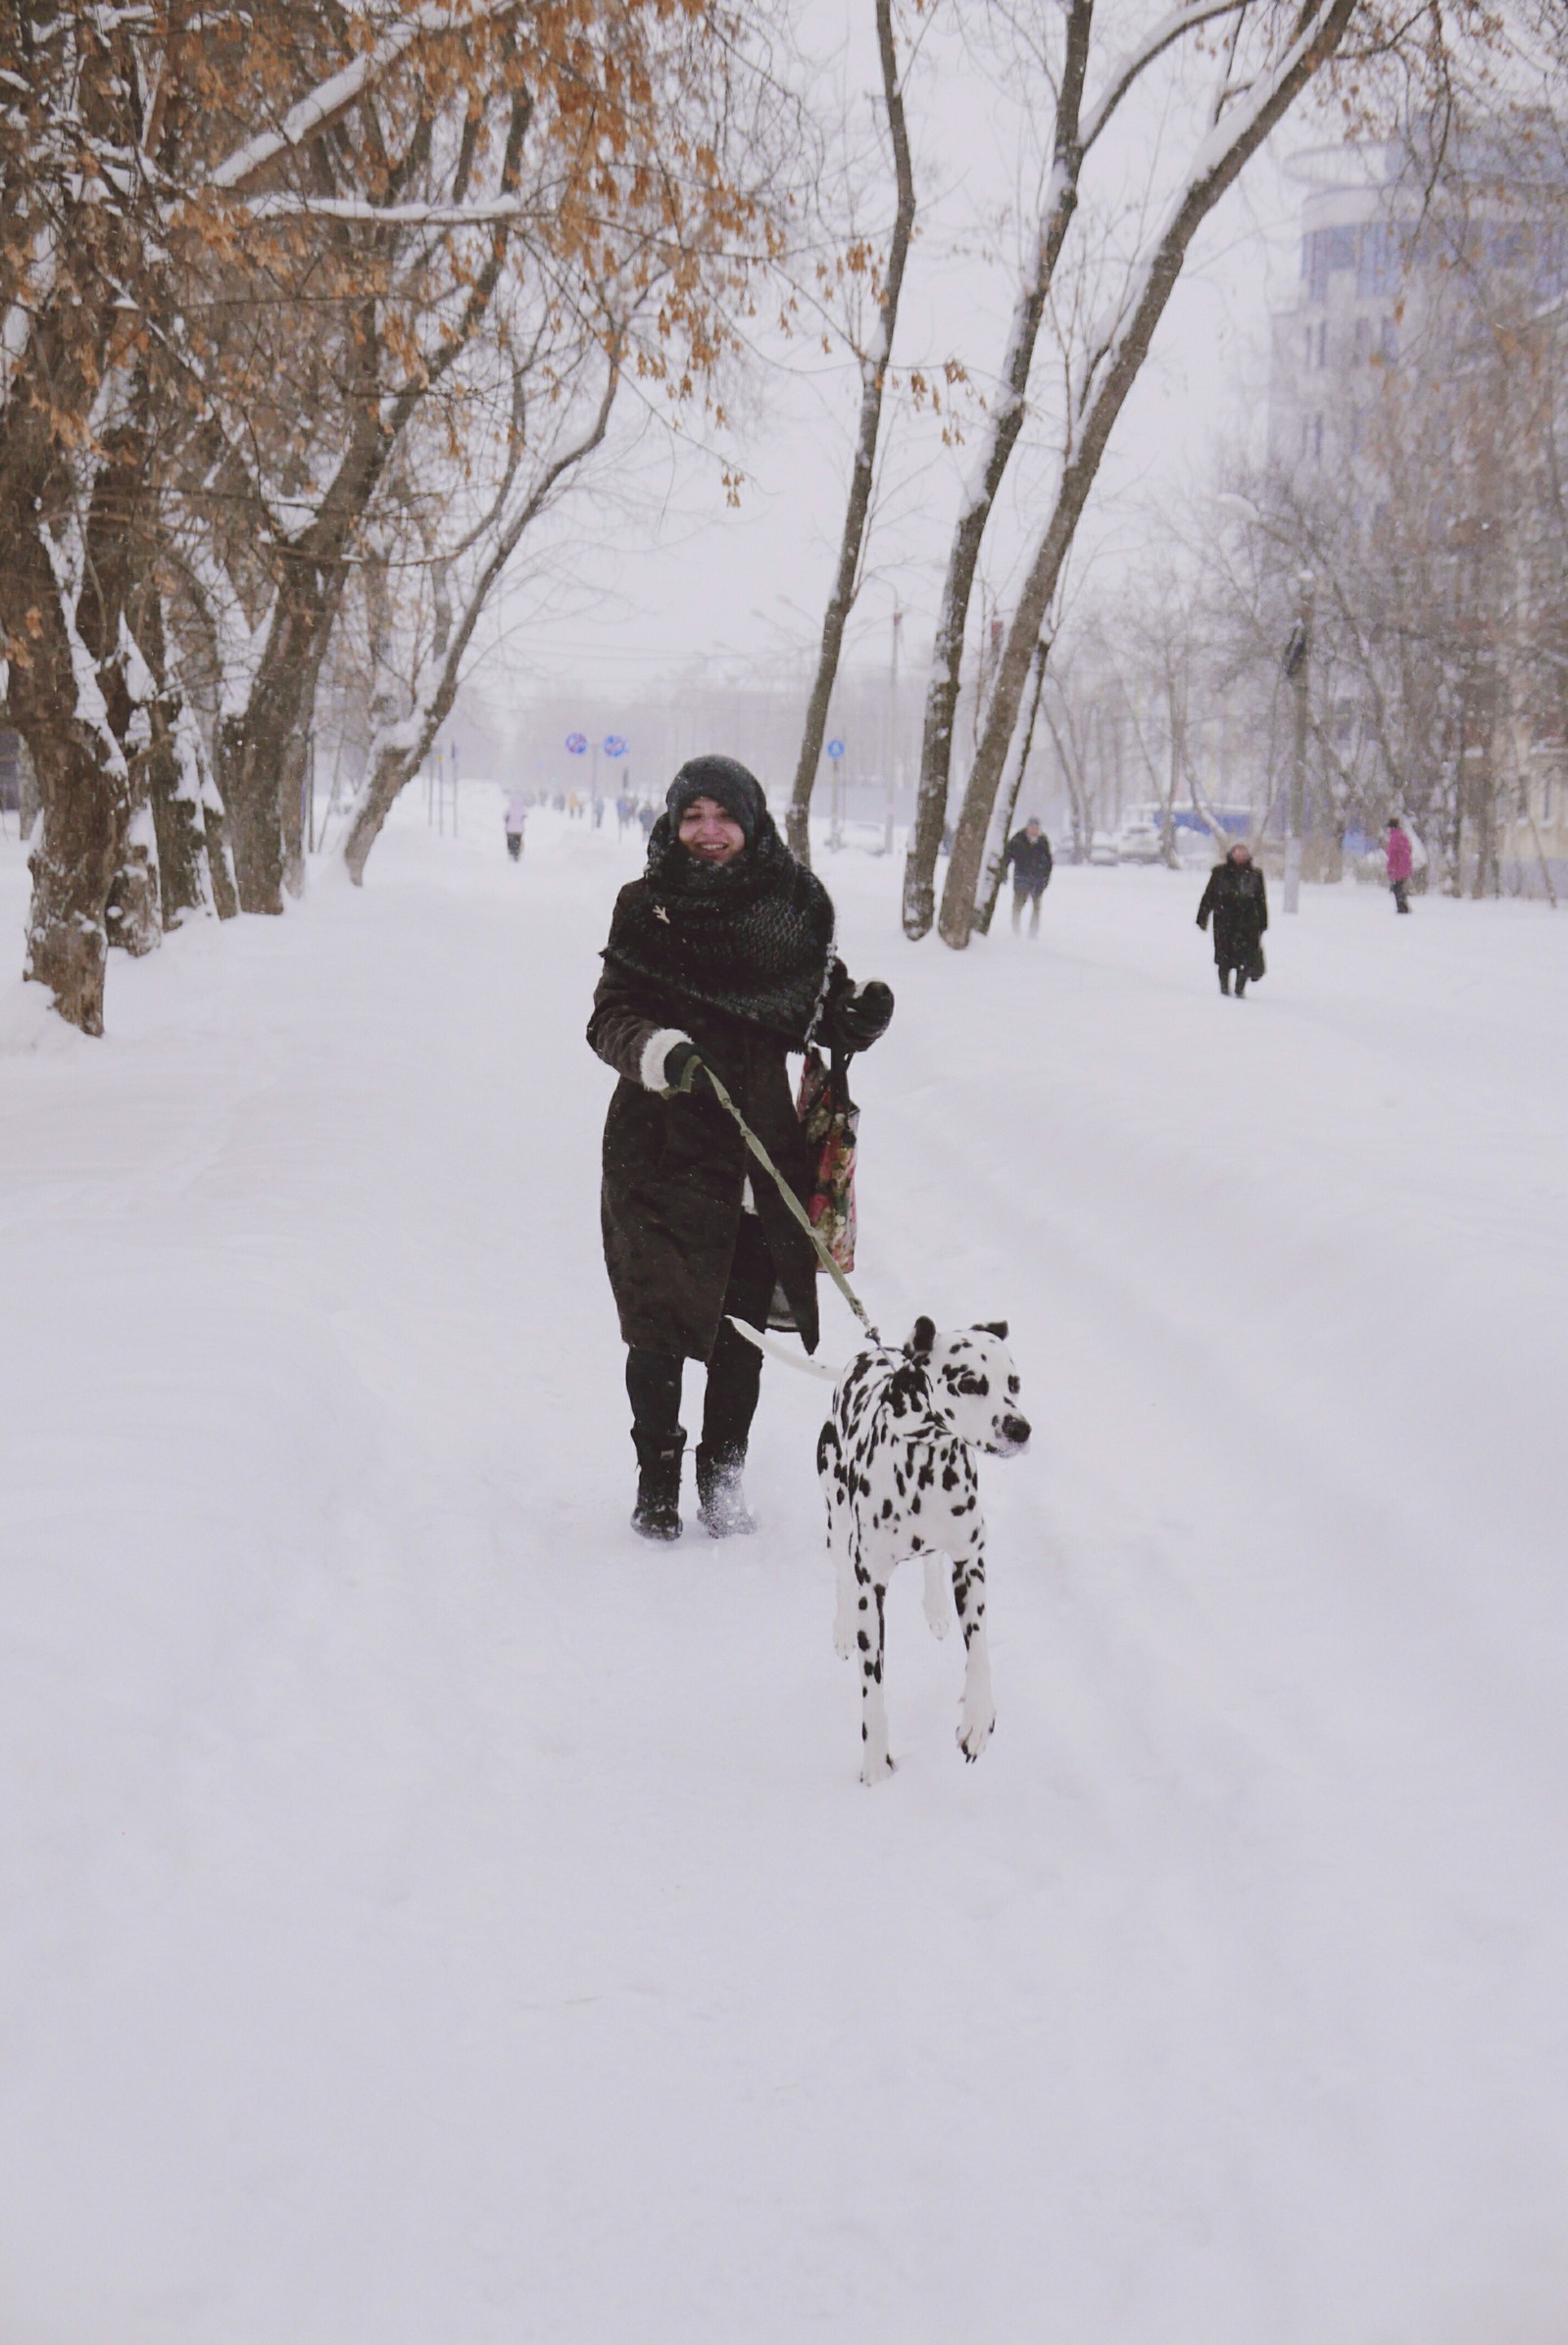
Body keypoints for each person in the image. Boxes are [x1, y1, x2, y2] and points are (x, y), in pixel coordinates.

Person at [588, 755, 894, 1542]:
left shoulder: (795, 908)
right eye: (692, 816)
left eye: (723, 815)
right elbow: (610, 1017)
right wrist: (659, 1050)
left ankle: (722, 1481)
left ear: (753, 821)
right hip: (657, 1146)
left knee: (740, 1336)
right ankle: (656, 1485)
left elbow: (819, 1009)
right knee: (655, 1326)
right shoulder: (645, 906)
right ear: (673, 823)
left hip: (759, 1148)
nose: (708, 830)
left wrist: (854, 1021)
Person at [1197, 839, 1268, 998]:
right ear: (1231, 854)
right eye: (1237, 852)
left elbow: (1261, 900)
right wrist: (1202, 917)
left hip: (1248, 923)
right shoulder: (1220, 873)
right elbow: (1209, 896)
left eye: (1243, 852)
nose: (1240, 856)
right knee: (1224, 957)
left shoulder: (1255, 875)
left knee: (1247, 958)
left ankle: (1240, 988)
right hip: (1225, 921)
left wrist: (1263, 923)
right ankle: (1224, 988)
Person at [1003, 816, 1054, 935]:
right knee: (1017, 907)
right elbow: (1007, 857)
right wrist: (1003, 872)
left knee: (1036, 909)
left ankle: (1033, 933)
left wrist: (1045, 880)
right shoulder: (1018, 839)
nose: (1034, 830)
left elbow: (1048, 863)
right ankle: (1016, 930)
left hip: (1037, 881)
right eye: (1032, 827)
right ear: (1027, 827)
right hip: (1021, 879)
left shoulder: (1043, 841)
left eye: (1036, 828)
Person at [1386, 815, 1414, 913]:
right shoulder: (1403, 836)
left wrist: (1390, 868)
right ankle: (1404, 906)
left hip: (1398, 868)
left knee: (1397, 889)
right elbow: (1408, 850)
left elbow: (1392, 855)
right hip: (1405, 867)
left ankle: (1402, 908)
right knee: (1400, 888)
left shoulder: (1394, 838)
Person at [503, 791, 527, 860]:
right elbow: (525, 816)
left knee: (510, 841)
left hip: (510, 829)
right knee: (517, 841)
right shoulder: (522, 809)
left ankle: (511, 852)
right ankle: (516, 853)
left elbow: (505, 817)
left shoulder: (509, 808)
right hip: (519, 830)